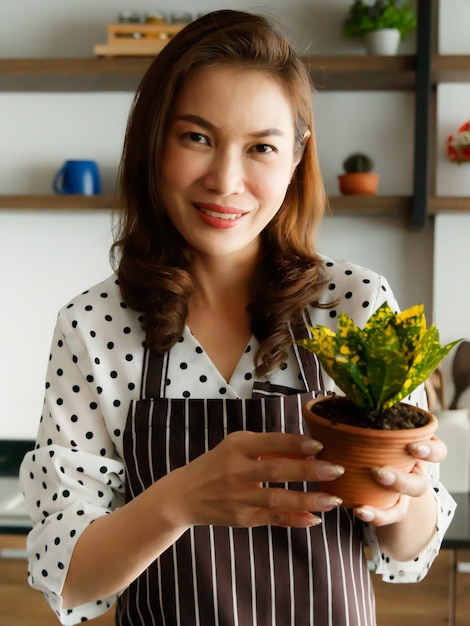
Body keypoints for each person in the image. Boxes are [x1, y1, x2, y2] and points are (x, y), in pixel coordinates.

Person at [20, 9, 456, 626]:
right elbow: (67, 576)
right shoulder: (95, 325)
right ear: (154, 139)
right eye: (196, 137)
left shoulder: (352, 304)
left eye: (261, 148)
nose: (226, 180)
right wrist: (178, 500)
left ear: (297, 156)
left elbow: (409, 552)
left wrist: (399, 501)